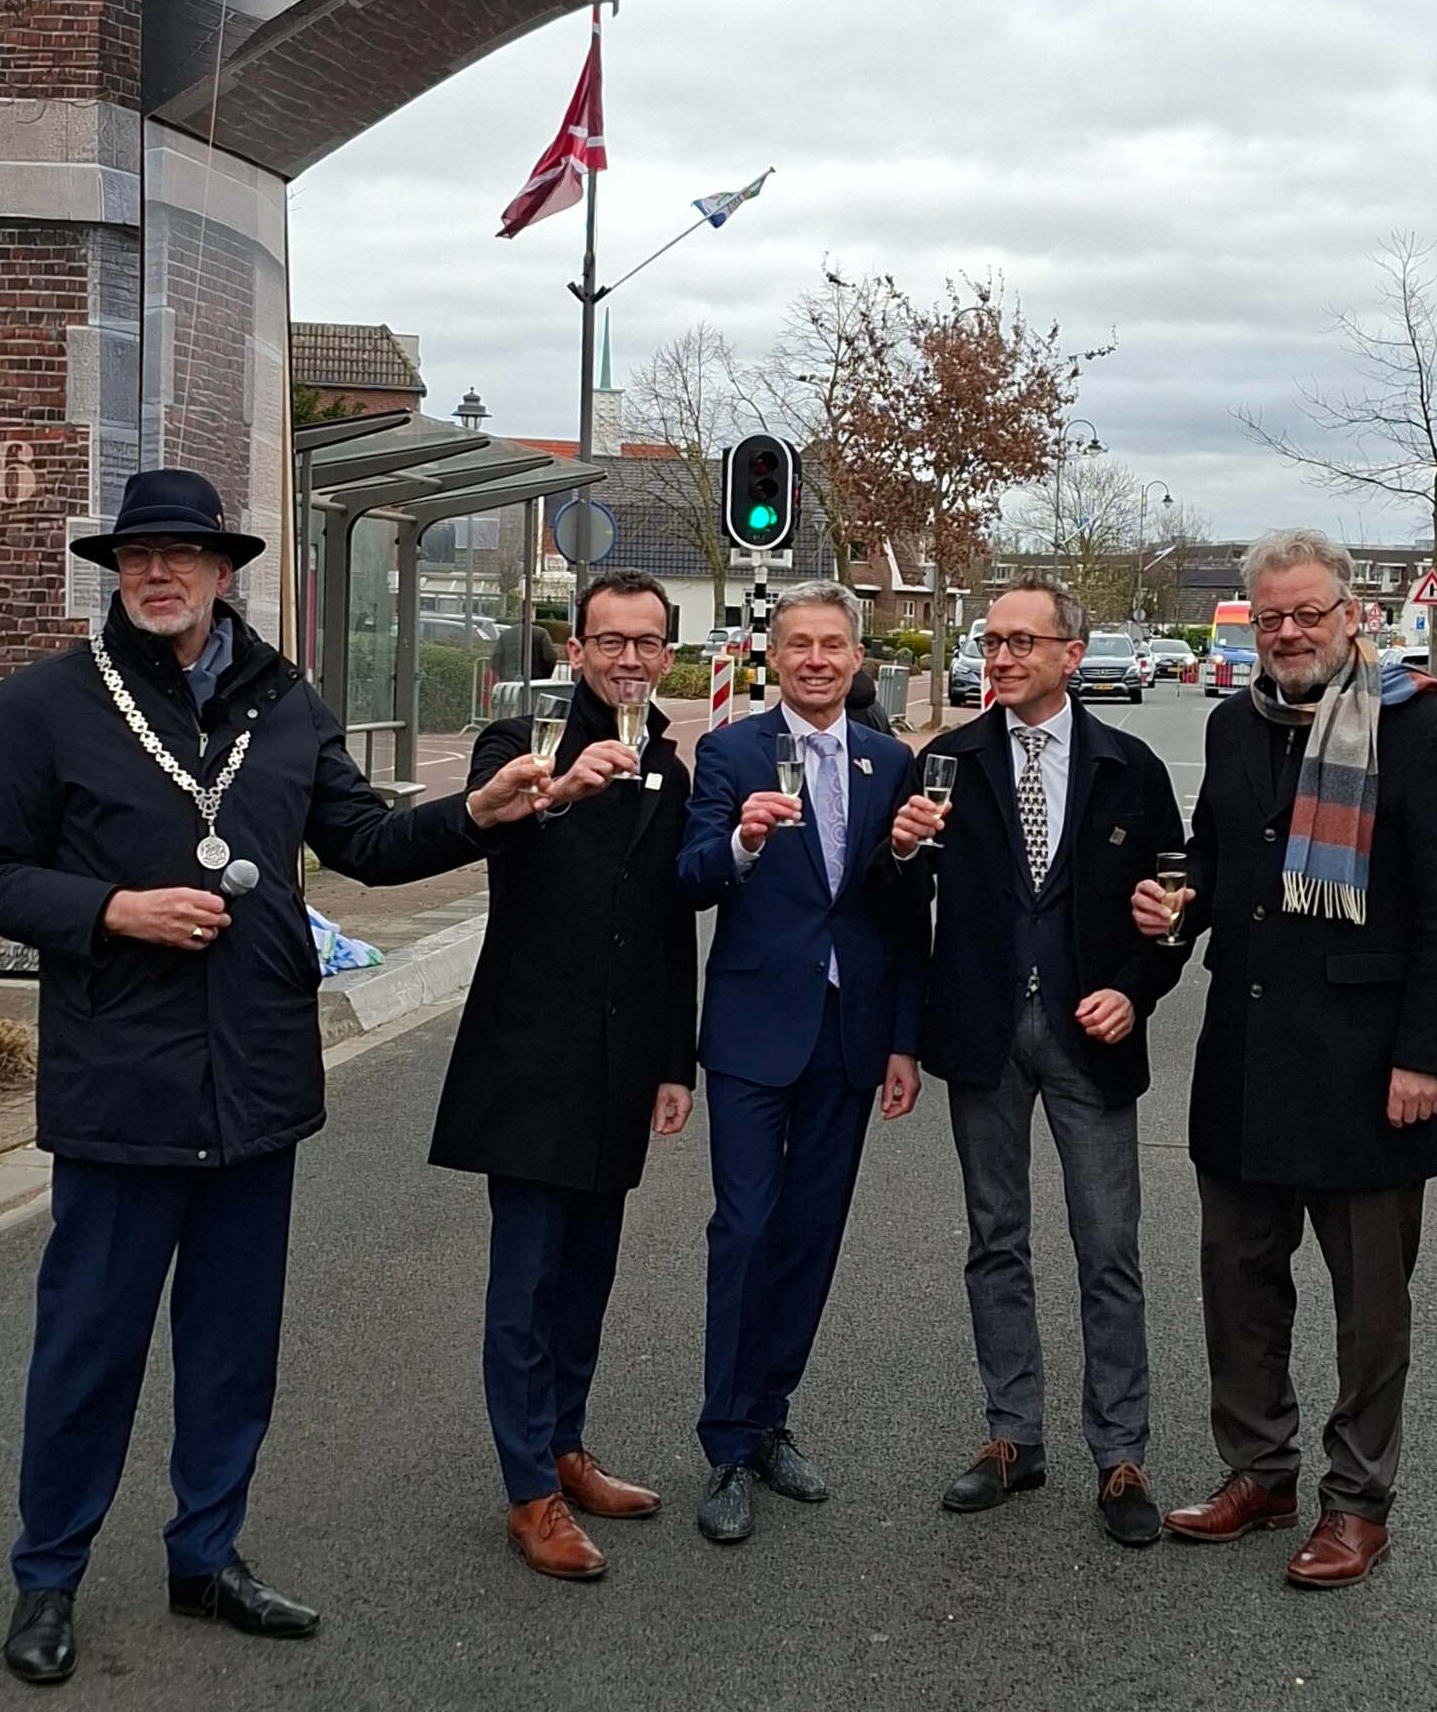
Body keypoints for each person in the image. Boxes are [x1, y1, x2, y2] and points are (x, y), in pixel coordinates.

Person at [0, 468, 544, 1688]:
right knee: (88, 1351)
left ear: (226, 572)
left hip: (258, 1078)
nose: (159, 574)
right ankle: (47, 1576)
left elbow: (365, 846)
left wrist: (473, 815)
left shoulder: (284, 704)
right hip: (121, 1086)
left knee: (233, 1350)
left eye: (184, 555)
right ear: (117, 572)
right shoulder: (47, 705)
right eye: (138, 557)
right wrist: (112, 907)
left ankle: (204, 1553)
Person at [1143, 528, 1437, 1590]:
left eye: (1308, 612)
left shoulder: (1423, 726)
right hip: (1245, 1056)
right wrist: (1174, 904)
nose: (1288, 632)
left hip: (1367, 1065)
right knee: (1238, 1285)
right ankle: (1259, 1470)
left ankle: (1355, 1501)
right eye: (1270, 616)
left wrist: (1425, 1058)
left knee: (1368, 1307)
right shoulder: (1230, 722)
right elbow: (1211, 857)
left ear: (1353, 615)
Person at [890, 573, 1183, 1548]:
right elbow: (898, 902)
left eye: (1022, 640)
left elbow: (1172, 910)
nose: (1001, 656)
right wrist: (898, 852)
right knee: (994, 1237)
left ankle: (1120, 1452)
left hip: (1087, 1041)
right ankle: (1012, 1434)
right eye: (991, 640)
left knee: (1107, 1245)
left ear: (1069, 651)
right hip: (980, 1035)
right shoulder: (947, 761)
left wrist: (1134, 987)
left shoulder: (1129, 769)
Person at [427, 568, 699, 1583]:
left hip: (623, 1061)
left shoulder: (670, 761)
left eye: (646, 641)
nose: (628, 657)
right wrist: (557, 790)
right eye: (608, 640)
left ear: (666, 653)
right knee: (525, 1283)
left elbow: (673, 924)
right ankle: (527, 1491)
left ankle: (566, 1447)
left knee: (587, 1274)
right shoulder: (524, 746)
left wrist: (676, 1059)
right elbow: (494, 814)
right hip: (528, 1058)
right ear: (574, 648)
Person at [676, 582, 923, 1546]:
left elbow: (905, 917)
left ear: (857, 661)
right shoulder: (730, 751)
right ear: (771, 656)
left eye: (833, 645)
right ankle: (727, 1445)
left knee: (813, 1231)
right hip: (751, 1028)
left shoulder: (890, 759)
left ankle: (772, 1416)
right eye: (798, 645)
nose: (816, 659)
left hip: (851, 1031)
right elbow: (691, 877)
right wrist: (738, 843)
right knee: (745, 1227)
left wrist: (903, 1039)